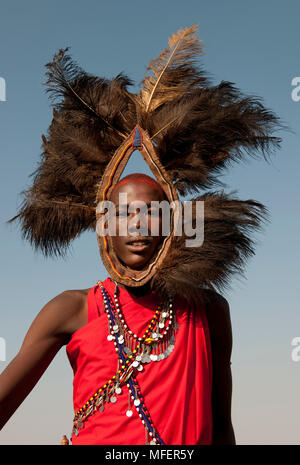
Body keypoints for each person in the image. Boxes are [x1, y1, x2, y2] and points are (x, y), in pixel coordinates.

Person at [1, 24, 281, 445]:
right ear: (103, 227)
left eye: (152, 213)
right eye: (123, 214)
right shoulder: (71, 310)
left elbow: (222, 428)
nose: (137, 225)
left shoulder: (206, 311)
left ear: (173, 224)